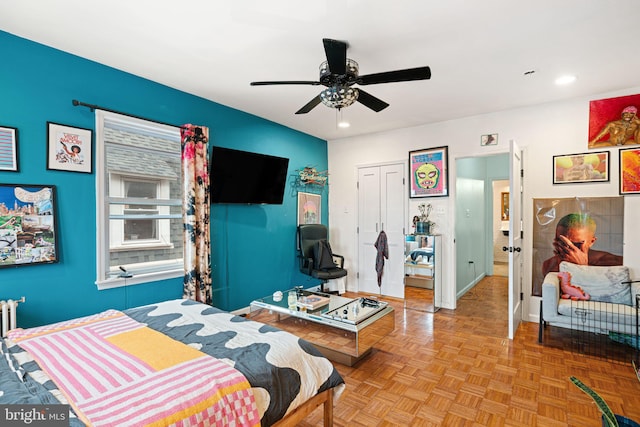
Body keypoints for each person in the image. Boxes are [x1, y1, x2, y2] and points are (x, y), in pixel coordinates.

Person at [541, 213, 623, 278]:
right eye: (562, 242)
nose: (568, 248)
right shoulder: (549, 265)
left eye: (576, 244)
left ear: (591, 242)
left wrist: (583, 269)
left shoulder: (613, 263)